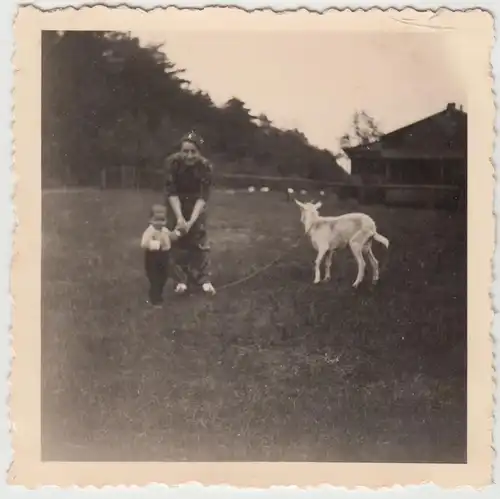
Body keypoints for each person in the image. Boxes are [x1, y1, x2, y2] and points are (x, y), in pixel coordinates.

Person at [164, 131, 216, 295]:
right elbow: (171, 192)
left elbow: (203, 197)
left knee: (199, 239)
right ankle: (180, 280)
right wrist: (180, 218)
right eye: (185, 151)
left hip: (196, 203)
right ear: (180, 151)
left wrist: (191, 221)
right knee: (175, 240)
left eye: (193, 151)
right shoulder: (172, 163)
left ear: (199, 152)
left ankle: (204, 279)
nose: (189, 155)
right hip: (176, 202)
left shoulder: (206, 167)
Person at [140, 204, 183, 307]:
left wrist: (177, 233)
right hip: (153, 256)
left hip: (164, 255)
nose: (159, 223)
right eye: (156, 219)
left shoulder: (164, 230)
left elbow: (171, 236)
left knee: (163, 275)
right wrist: (156, 244)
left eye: (162, 220)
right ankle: (155, 299)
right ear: (150, 220)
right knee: (154, 277)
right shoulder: (150, 231)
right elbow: (144, 243)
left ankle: (159, 293)